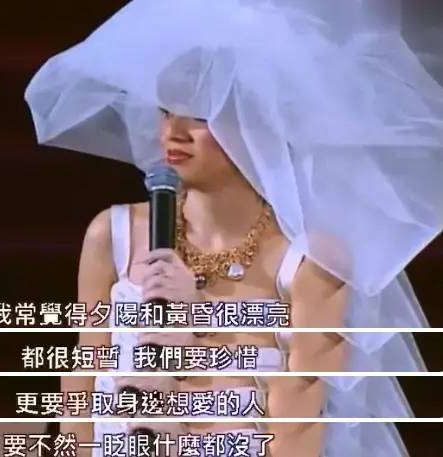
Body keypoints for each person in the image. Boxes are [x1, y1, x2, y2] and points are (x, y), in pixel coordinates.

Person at [24, 1, 443, 455]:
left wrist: (199, 333)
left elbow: (297, 437)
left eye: (201, 115)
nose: (173, 132)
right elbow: (82, 387)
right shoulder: (115, 234)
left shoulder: (311, 261)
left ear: (260, 122)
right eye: (165, 111)